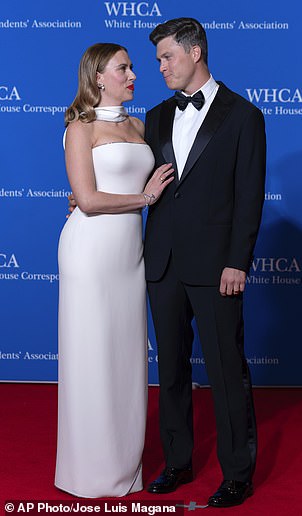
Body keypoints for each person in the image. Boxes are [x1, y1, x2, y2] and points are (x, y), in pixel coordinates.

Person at [143, 18, 266, 508]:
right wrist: (83, 197)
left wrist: (238, 261)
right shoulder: (153, 116)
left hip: (218, 267)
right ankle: (178, 461)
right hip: (164, 262)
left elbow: (249, 196)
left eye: (167, 56)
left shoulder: (243, 115)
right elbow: (135, 179)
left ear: (195, 53)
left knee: (225, 368)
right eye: (157, 60)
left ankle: (238, 473)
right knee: (170, 369)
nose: (161, 67)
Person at [55, 42, 173, 498]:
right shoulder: (79, 128)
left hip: (130, 256)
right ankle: (88, 472)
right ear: (98, 76)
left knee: (125, 360)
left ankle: (126, 466)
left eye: (132, 67)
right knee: (91, 358)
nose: (134, 75)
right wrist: (143, 199)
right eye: (123, 68)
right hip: (90, 253)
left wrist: (145, 198)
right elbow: (86, 199)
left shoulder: (140, 125)